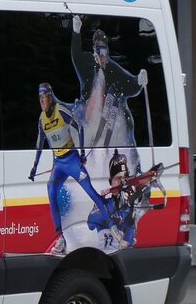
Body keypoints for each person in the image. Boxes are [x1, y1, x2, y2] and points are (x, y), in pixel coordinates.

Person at [29, 82, 110, 256]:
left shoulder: (60, 110)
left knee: (90, 190)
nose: (43, 101)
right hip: (59, 163)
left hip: (72, 159)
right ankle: (60, 237)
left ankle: (112, 226)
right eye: (40, 98)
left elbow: (78, 127)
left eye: (45, 97)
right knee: (51, 190)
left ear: (50, 97)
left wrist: (81, 154)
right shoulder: (42, 119)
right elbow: (39, 143)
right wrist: (34, 167)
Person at [69, 15, 147, 151]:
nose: (103, 56)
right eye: (100, 51)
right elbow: (76, 55)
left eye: (105, 51)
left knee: (123, 120)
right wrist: (76, 32)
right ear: (94, 50)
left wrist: (138, 80)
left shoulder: (112, 68)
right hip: (89, 112)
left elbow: (129, 85)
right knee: (77, 116)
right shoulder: (87, 62)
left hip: (108, 115)